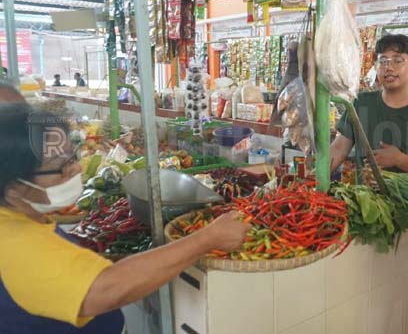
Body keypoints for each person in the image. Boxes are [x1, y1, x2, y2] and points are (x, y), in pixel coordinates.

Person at [0, 103, 251, 333]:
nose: (76, 168)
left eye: (72, 155)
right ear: (15, 189)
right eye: (60, 165)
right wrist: (207, 238)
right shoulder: (12, 243)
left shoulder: (22, 215)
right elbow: (106, 290)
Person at [330, 34, 408, 179]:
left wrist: (400, 160)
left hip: (406, 201)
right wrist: (313, 176)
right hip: (364, 199)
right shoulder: (361, 103)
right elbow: (339, 148)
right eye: (383, 61)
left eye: (398, 61)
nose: (389, 67)